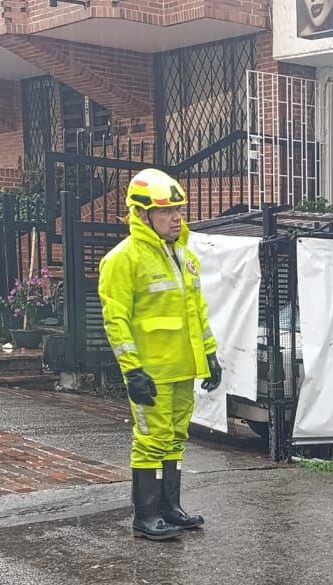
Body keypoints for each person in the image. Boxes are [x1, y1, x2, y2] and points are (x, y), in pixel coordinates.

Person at [99, 169, 221, 541]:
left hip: (183, 367)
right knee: (151, 440)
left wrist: (211, 355)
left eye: (179, 210)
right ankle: (146, 515)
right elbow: (115, 319)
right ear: (142, 214)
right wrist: (133, 371)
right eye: (167, 211)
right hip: (151, 371)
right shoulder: (124, 259)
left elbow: (196, 311)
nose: (176, 218)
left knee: (174, 437)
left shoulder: (182, 255)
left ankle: (170, 508)